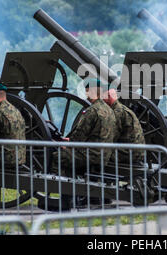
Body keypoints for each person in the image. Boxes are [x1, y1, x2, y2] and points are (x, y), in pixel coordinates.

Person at [48, 78, 118, 210]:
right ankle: (90, 197)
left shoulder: (92, 111)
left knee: (58, 157)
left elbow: (78, 137)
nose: (86, 95)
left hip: (90, 155)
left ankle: (67, 200)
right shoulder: (109, 110)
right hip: (103, 155)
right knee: (69, 159)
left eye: (87, 91)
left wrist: (65, 143)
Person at [103, 86, 145, 163]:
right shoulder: (122, 109)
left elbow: (111, 137)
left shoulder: (117, 112)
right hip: (135, 152)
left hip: (126, 154)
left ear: (109, 96)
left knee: (95, 155)